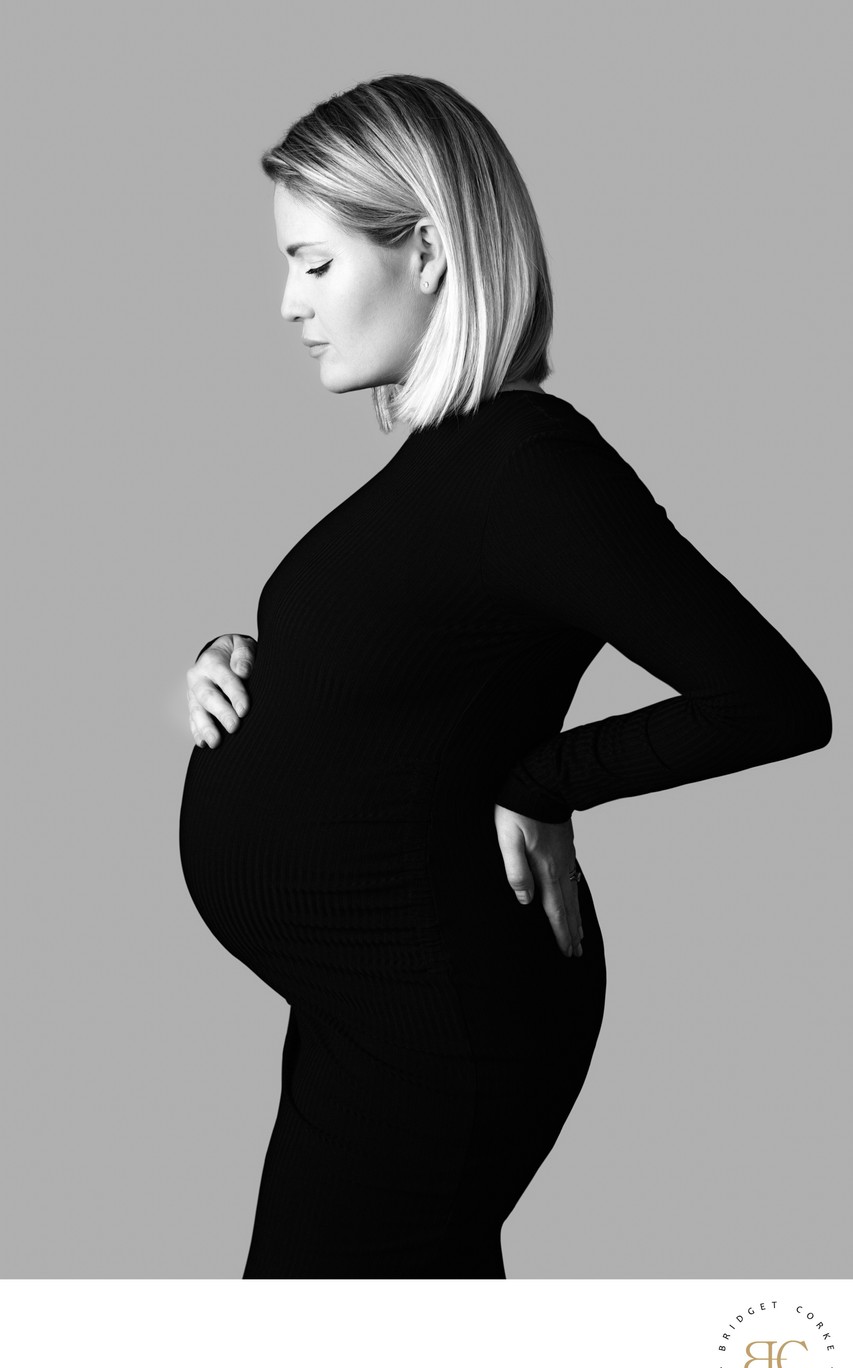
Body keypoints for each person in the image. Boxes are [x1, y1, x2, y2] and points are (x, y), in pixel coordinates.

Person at [179, 74, 832, 1278]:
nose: (287, 303)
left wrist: (545, 780)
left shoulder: (533, 464)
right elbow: (422, 661)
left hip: (437, 1017)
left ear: (425, 247)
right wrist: (248, 662)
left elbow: (776, 700)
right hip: (364, 1004)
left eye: (314, 265)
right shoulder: (447, 461)